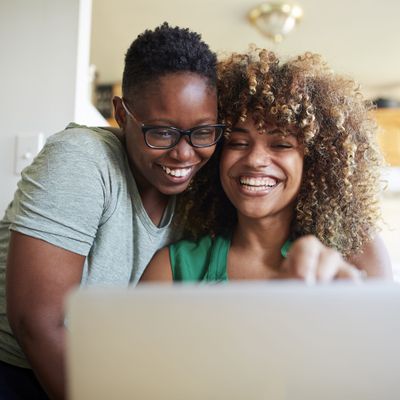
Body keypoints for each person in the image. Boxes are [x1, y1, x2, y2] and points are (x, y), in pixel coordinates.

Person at [0, 23, 222, 399]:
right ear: (122, 113)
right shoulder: (82, 159)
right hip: (18, 369)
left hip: (98, 367)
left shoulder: (200, 191)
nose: (184, 154)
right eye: (162, 132)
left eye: (202, 132)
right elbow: (36, 322)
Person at [141, 48, 392, 283]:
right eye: (238, 142)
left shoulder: (358, 254)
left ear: (315, 161)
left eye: (281, 145)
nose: (254, 159)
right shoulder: (172, 270)